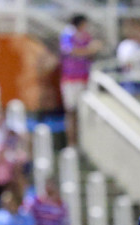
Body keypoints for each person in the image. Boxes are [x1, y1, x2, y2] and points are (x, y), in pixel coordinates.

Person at [59, 14, 102, 146]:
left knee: (83, 113)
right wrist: (88, 50)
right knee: (71, 111)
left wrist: (89, 50)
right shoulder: (67, 35)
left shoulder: (86, 37)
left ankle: (84, 143)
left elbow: (94, 50)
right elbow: (71, 51)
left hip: (84, 77)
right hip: (70, 79)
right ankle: (72, 143)